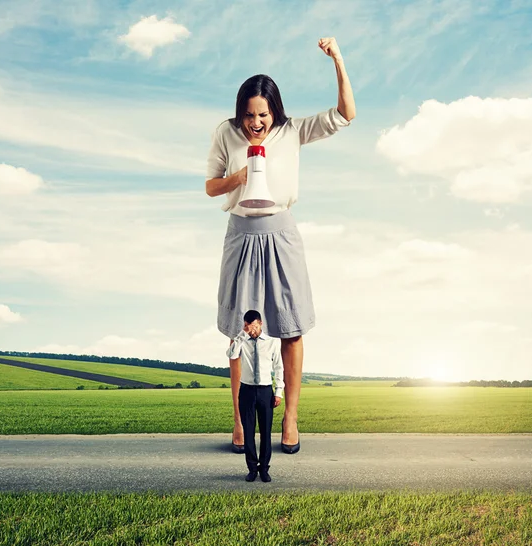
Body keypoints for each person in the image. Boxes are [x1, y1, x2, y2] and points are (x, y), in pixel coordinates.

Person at [206, 37, 356, 455]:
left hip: (282, 234)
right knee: (240, 330)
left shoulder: (293, 131)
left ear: (275, 111)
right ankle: (239, 421)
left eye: (263, 114)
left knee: (289, 328)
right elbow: (209, 186)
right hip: (241, 234)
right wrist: (237, 178)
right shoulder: (225, 133)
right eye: (250, 115)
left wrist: (338, 60)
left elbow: (347, 114)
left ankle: (290, 418)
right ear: (240, 113)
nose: (256, 123)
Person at [226, 310, 283, 482]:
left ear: (260, 324)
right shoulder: (243, 341)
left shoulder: (272, 342)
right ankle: (252, 469)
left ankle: (264, 469)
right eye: (247, 327)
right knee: (248, 432)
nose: (251, 330)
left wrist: (278, 391)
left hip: (266, 391)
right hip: (247, 391)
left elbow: (279, 367)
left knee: (266, 433)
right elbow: (231, 355)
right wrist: (242, 335)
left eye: (253, 327)